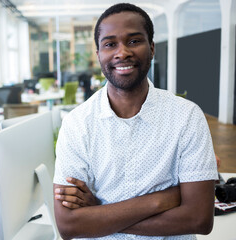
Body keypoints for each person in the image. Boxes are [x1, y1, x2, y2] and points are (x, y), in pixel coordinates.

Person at [53, 3, 218, 240]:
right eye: (110, 44)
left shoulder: (186, 117)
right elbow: (69, 226)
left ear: (151, 48)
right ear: (98, 54)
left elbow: (199, 219)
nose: (122, 52)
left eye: (133, 41)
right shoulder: (77, 124)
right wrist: (162, 199)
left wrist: (99, 214)